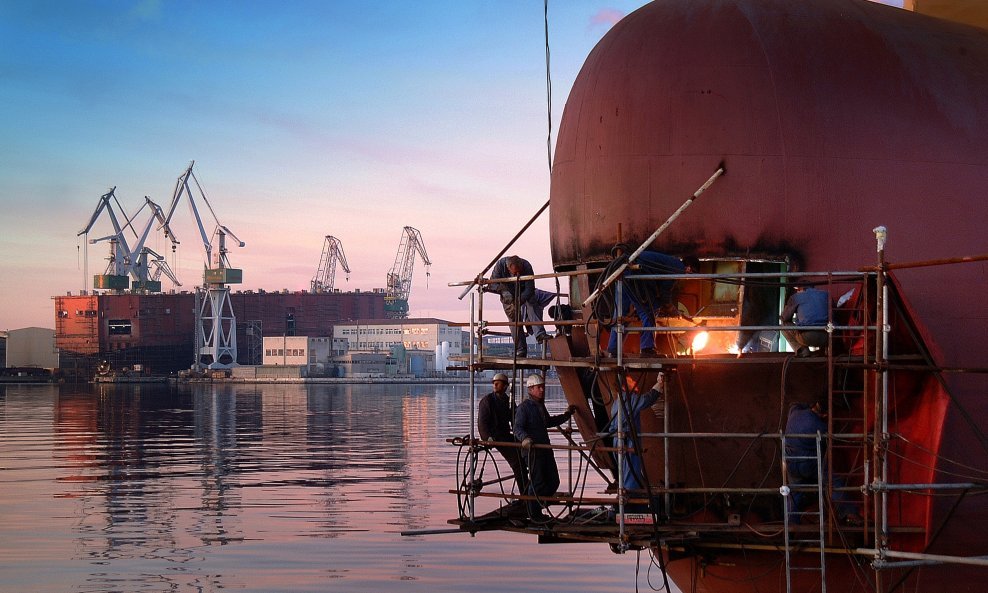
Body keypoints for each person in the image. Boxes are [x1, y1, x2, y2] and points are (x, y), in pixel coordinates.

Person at [607, 249, 699, 356]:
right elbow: (665, 292)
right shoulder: (677, 268)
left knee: (622, 315)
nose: (687, 278)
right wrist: (670, 308)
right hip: (636, 276)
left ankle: (613, 348)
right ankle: (647, 348)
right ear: (689, 268)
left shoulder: (670, 262)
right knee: (649, 312)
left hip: (624, 274)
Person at [785, 400, 861, 525]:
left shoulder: (794, 412)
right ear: (825, 415)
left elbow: (794, 404)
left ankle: (791, 523)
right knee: (833, 482)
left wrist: (809, 405)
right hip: (808, 463)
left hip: (791, 461)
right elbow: (833, 437)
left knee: (794, 492)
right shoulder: (819, 425)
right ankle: (849, 513)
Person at [513, 374, 576, 518]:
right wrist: (525, 438)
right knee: (538, 482)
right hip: (533, 451)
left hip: (545, 449)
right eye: (538, 387)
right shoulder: (524, 408)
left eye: (543, 387)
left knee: (554, 481)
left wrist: (567, 415)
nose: (542, 390)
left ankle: (536, 505)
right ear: (530, 389)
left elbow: (548, 422)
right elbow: (517, 428)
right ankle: (534, 514)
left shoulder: (540, 406)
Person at [607, 374, 664, 505]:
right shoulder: (629, 399)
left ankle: (627, 499)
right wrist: (659, 384)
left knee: (625, 472)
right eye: (630, 381)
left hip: (619, 440)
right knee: (630, 473)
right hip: (627, 442)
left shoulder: (617, 402)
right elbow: (647, 399)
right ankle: (629, 503)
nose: (634, 381)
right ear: (623, 386)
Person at [487, 255, 550, 357]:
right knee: (513, 320)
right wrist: (503, 290)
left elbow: (530, 288)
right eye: (515, 272)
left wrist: (519, 300)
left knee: (532, 303)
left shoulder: (527, 265)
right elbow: (492, 283)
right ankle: (521, 349)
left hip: (524, 291)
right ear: (508, 268)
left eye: (519, 272)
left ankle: (540, 334)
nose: (518, 274)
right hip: (508, 294)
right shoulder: (500, 265)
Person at [477, 373, 527, 490]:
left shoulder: (508, 401)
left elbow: (515, 419)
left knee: (525, 456)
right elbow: (482, 423)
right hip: (496, 437)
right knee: (516, 462)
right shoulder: (487, 401)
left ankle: (528, 489)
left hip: (506, 435)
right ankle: (525, 495)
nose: (495, 385)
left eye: (497, 383)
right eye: (494, 383)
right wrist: (487, 438)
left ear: (505, 386)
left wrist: (522, 434)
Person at [780, 282, 830, 357]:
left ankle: (803, 350)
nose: (797, 292)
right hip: (828, 337)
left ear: (801, 289)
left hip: (807, 337)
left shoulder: (796, 297)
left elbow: (785, 318)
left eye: (798, 290)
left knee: (784, 326)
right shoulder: (826, 295)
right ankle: (824, 350)